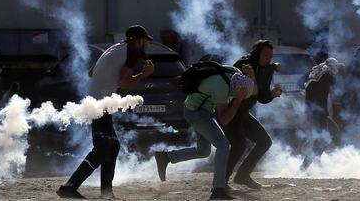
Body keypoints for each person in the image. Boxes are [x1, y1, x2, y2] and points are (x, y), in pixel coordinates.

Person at [57, 25, 155, 199]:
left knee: (112, 146)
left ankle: (106, 193)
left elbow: (91, 72)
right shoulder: (133, 52)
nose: (146, 44)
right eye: (145, 40)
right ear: (138, 40)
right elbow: (124, 83)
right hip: (99, 104)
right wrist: (144, 74)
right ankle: (69, 187)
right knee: (103, 148)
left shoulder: (115, 47)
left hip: (95, 102)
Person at [154, 64, 252, 200]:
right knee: (223, 146)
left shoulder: (235, 74)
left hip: (201, 110)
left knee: (203, 151)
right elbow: (224, 120)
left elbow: (252, 90)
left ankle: (166, 157)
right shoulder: (221, 87)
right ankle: (218, 189)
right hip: (195, 112)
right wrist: (238, 99)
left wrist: (251, 76)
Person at [225, 40, 283, 189]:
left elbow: (262, 97)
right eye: (265, 55)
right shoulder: (242, 65)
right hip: (231, 111)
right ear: (257, 53)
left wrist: (273, 93)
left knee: (264, 142)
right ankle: (221, 182)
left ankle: (243, 175)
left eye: (271, 56)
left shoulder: (267, 70)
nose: (268, 58)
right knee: (239, 146)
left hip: (243, 113)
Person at [302, 57, 342, 165]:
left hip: (314, 113)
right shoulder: (326, 76)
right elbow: (335, 82)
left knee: (320, 140)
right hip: (319, 114)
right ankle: (305, 166)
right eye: (335, 67)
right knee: (322, 140)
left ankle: (315, 163)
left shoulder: (316, 75)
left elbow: (300, 82)